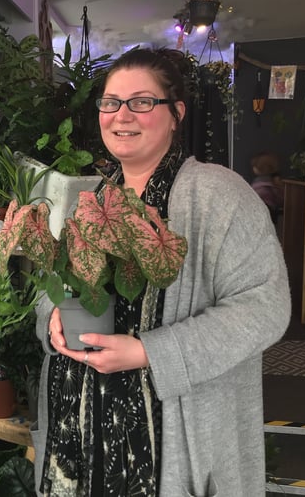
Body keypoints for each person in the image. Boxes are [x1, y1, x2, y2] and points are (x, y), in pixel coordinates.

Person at [31, 48, 291, 496]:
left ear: (176, 114)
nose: (121, 115)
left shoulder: (218, 196)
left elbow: (266, 307)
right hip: (83, 431)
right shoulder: (89, 197)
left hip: (172, 443)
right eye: (111, 102)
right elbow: (55, 286)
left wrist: (152, 352)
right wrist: (50, 317)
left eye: (142, 101)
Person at [250, 151, 285, 224]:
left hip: (259, 212)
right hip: (272, 213)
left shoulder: (258, 183)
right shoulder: (276, 182)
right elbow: (281, 199)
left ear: (258, 168)